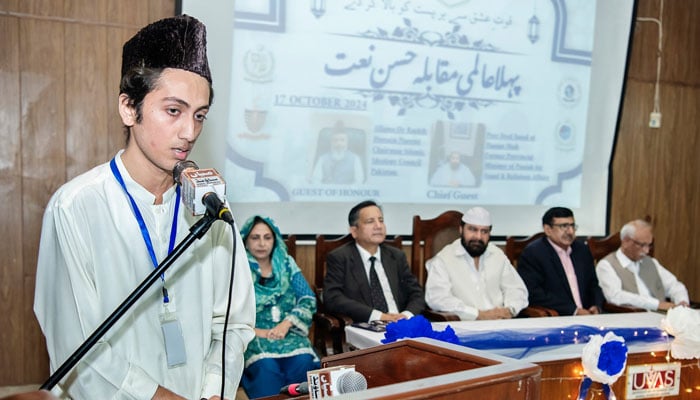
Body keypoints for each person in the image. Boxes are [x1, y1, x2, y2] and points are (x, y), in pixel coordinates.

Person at [33, 15, 256, 399]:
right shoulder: (75, 208)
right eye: (174, 110)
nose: (190, 132)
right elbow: (76, 347)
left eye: (199, 115)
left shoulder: (210, 206)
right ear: (128, 108)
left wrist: (212, 390)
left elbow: (232, 323)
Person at [239, 215, 320, 398]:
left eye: (267, 237)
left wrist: (286, 324)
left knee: (304, 362)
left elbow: (307, 298)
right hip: (253, 335)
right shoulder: (238, 268)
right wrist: (253, 331)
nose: (262, 243)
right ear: (245, 240)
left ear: (274, 240)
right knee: (267, 368)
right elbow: (229, 309)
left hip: (288, 332)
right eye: (255, 238)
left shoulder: (286, 264)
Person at [324, 200, 426, 322]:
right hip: (366, 325)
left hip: (401, 323)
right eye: (370, 221)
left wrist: (406, 315)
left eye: (381, 220)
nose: (378, 226)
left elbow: (417, 294)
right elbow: (332, 298)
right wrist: (379, 316)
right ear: (354, 231)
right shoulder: (340, 257)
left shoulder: (396, 256)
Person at [424, 207, 528, 320]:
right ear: (461, 230)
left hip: (501, 323)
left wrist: (509, 310)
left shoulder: (497, 255)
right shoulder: (443, 259)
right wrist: (477, 314)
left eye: (484, 231)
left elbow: (517, 289)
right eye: (473, 229)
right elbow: (437, 298)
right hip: (465, 327)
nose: (478, 237)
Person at [517, 207, 604, 316]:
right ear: (548, 229)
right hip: (558, 317)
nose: (570, 232)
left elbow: (593, 285)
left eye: (572, 226)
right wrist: (574, 311)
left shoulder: (582, 250)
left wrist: (596, 306)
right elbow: (534, 293)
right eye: (564, 226)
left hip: (588, 316)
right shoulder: (533, 253)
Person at [596, 219, 689, 311]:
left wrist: (682, 302)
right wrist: (657, 304)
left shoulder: (651, 262)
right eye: (642, 245)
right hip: (632, 319)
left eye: (649, 245)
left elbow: (675, 286)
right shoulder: (606, 265)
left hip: (663, 318)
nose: (647, 251)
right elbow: (615, 296)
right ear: (626, 241)